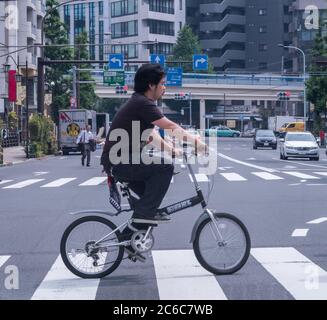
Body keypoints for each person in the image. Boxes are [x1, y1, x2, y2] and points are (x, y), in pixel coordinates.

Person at [101, 64, 207, 261]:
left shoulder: (140, 104)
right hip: (120, 162)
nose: (165, 88)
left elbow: (150, 135)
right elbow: (170, 126)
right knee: (163, 171)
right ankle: (141, 220)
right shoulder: (143, 103)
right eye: (162, 84)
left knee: (150, 202)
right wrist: (197, 142)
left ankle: (130, 237)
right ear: (151, 85)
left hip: (121, 161)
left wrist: (172, 151)